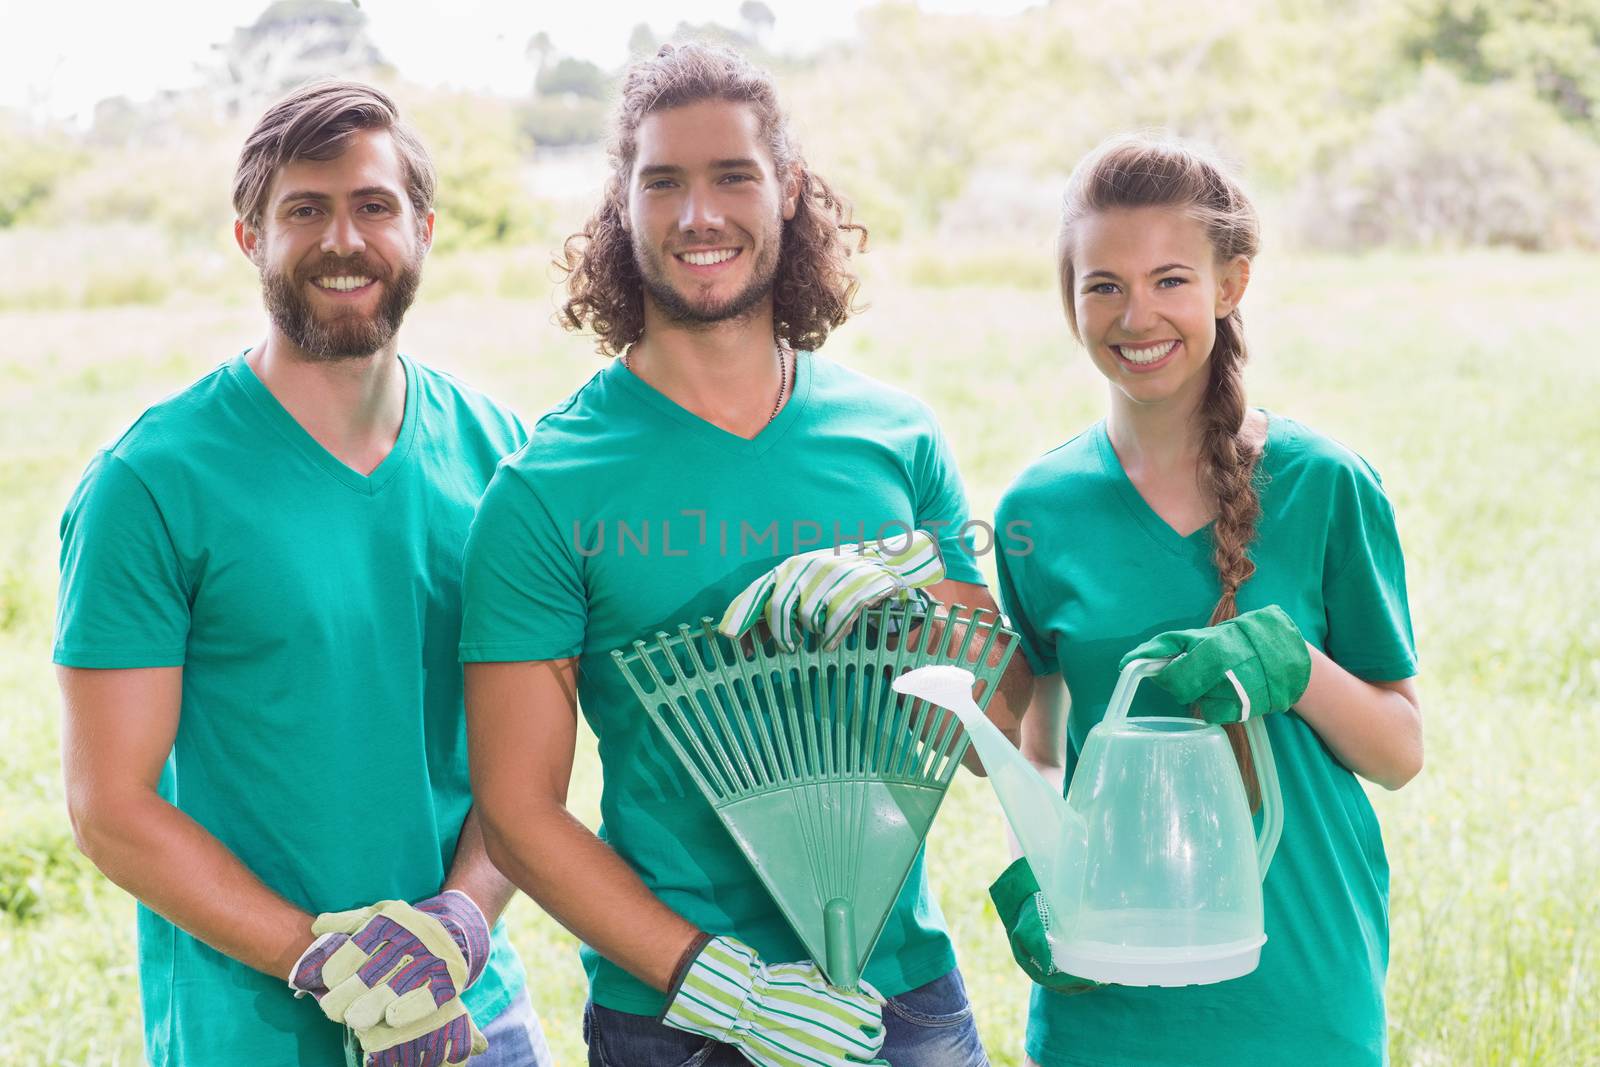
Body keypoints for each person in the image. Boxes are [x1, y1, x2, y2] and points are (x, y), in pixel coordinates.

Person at [460, 42, 1028, 1067]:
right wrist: (721, 983)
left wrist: (920, 587)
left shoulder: (892, 436)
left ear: (788, 190)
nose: (697, 215)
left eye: (733, 176)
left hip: (904, 994)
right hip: (673, 1016)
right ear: (621, 206)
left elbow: (1003, 720)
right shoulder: (547, 487)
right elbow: (516, 810)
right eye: (662, 182)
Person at [54, 80, 552, 1067]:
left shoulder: (506, 459)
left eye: (373, 205)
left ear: (422, 229)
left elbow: (524, 757)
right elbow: (110, 807)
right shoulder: (151, 483)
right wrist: (331, 965)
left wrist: (461, 916)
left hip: (473, 1015)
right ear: (250, 237)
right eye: (304, 210)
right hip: (253, 1027)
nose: (342, 238)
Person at [989, 134, 1424, 1066]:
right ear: (1069, 300)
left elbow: (1399, 750)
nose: (1135, 314)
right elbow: (1042, 746)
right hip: (1105, 998)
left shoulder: (1326, 487)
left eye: (1170, 279)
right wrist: (1050, 874)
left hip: (1298, 992)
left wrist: (1298, 668)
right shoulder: (1037, 510)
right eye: (1102, 283)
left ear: (1230, 285)